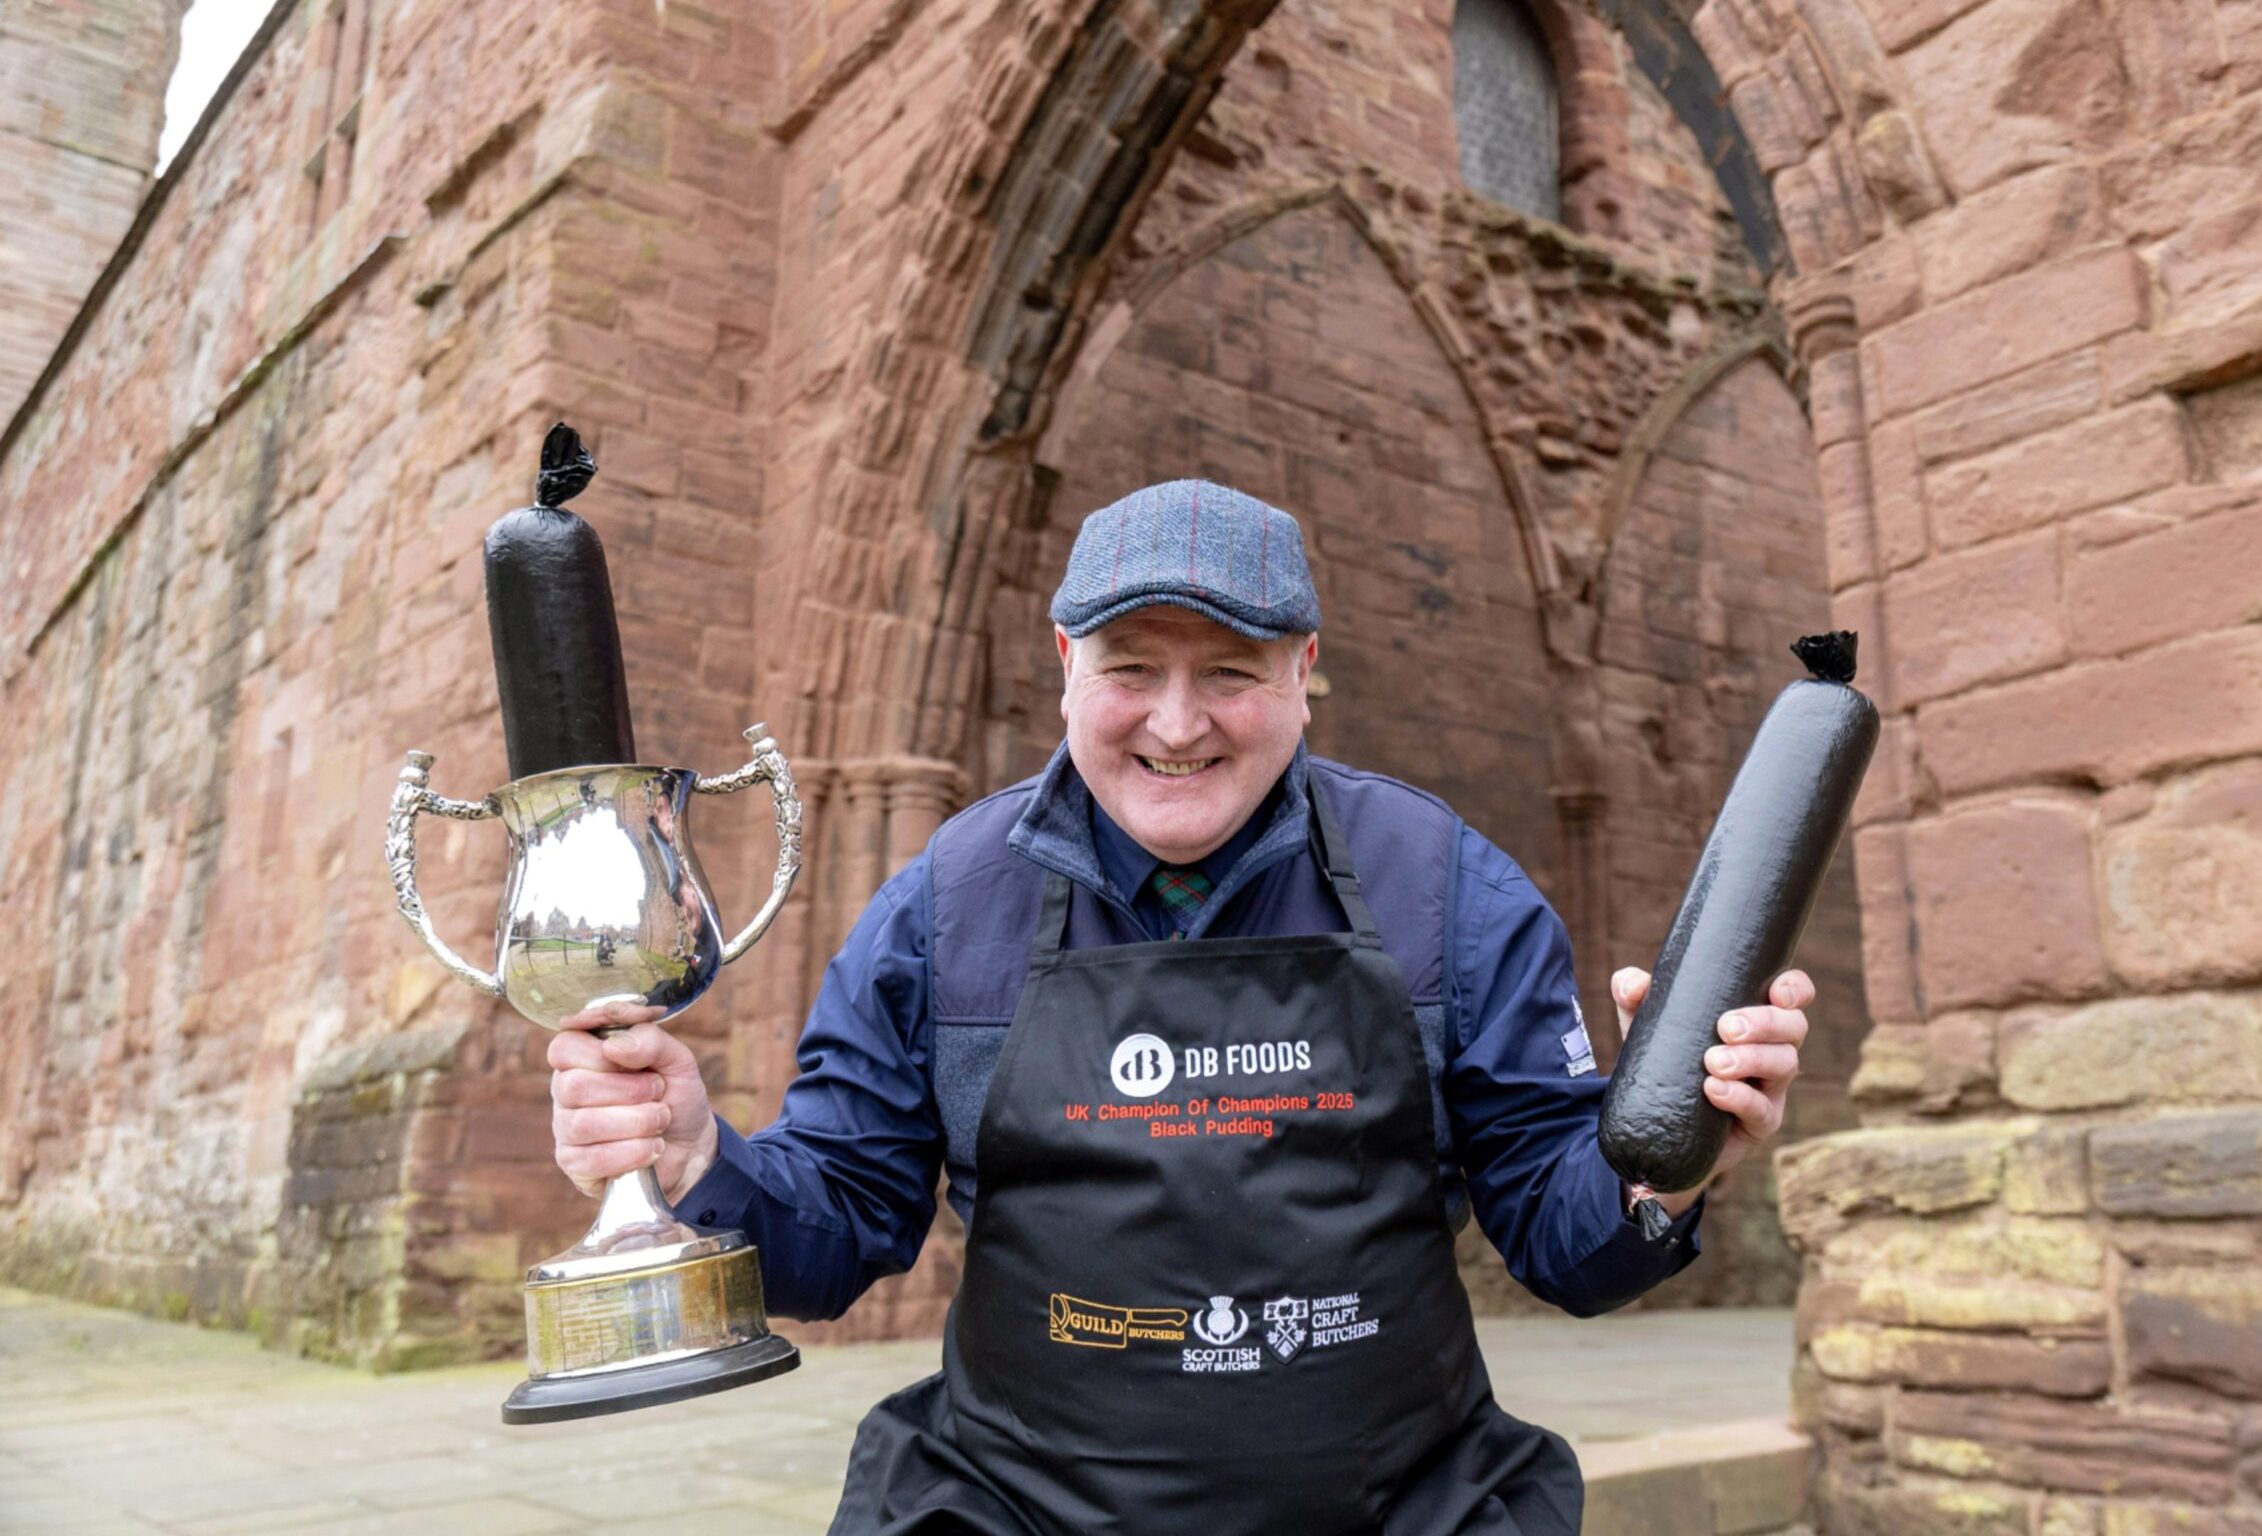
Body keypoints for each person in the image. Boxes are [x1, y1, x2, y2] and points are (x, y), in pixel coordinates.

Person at [547, 480, 1816, 1535]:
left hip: (1401, 1509)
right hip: (1011, 1510)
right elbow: (837, 1239)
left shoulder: (1445, 888)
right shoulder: (946, 905)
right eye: (1130, 667)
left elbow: (1563, 1239)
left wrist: (1669, 1161)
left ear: (1307, 669)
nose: (1175, 722)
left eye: (1231, 671)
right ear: (1064, 662)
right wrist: (697, 1156)